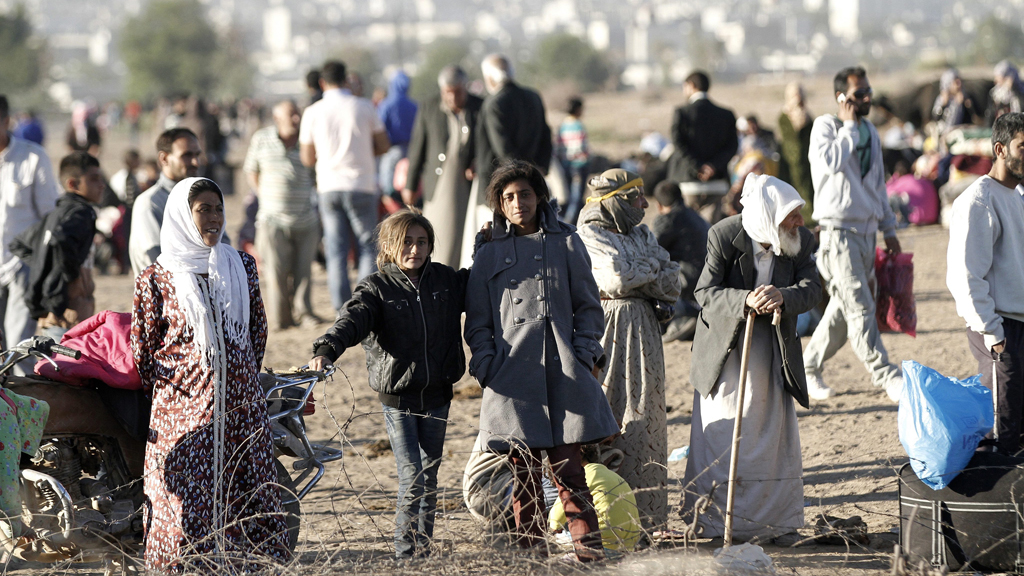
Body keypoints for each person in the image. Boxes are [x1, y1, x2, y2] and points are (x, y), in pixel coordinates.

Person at [130, 177, 290, 572]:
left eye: (218, 208)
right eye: (203, 209)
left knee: (247, 488)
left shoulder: (242, 266)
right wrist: (190, 388)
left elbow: (256, 334)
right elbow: (144, 353)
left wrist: (235, 379)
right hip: (181, 414)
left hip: (241, 409)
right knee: (183, 500)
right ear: (184, 215)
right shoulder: (156, 278)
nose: (214, 218)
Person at [464, 159, 618, 563]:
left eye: (525, 194)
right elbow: (477, 322)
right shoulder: (487, 254)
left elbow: (589, 307)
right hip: (513, 381)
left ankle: (589, 555)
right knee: (524, 478)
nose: (519, 203)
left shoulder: (567, 243)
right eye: (509, 197)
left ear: (539, 197)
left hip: (565, 376)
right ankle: (532, 561)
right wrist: (486, 366)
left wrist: (584, 354)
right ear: (499, 203)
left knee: (571, 473)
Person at [309, 209, 468, 559]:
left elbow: (485, 282)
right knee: (412, 473)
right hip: (399, 398)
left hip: (439, 393)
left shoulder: (446, 281)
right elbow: (351, 320)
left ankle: (423, 549)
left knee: (430, 473)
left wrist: (488, 244)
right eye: (407, 242)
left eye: (422, 242)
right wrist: (327, 349)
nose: (415, 249)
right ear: (389, 245)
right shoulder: (377, 288)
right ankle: (406, 552)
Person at [682, 173, 820, 542]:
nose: (799, 222)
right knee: (726, 429)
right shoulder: (724, 235)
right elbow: (705, 292)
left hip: (772, 349)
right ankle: (715, 523)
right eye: (792, 215)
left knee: (769, 433)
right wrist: (744, 300)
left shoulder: (800, 240)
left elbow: (813, 289)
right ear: (770, 216)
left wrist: (783, 296)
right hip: (726, 349)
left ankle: (772, 522)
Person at [576, 169, 680, 531]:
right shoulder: (588, 234)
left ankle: (647, 519)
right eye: (635, 198)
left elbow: (674, 281)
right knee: (610, 414)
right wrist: (652, 270)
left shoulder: (642, 233)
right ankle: (608, 519)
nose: (644, 205)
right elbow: (615, 280)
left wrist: (644, 272)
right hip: (607, 332)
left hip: (646, 334)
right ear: (616, 201)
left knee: (647, 418)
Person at [802, 66, 904, 403]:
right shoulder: (826, 128)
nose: (866, 99)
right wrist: (847, 128)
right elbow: (829, 163)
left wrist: (888, 228)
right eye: (859, 94)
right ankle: (886, 375)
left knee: (845, 313)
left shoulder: (870, 132)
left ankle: (808, 366)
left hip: (867, 233)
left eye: (867, 92)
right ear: (841, 98)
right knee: (859, 307)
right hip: (837, 233)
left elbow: (877, 184)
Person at [947, 112, 1024, 454]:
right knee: (1001, 430)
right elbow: (965, 277)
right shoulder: (978, 201)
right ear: (1001, 149)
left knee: (1019, 428)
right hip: (999, 330)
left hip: (1019, 325)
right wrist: (993, 333)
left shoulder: (1018, 197)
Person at [300, 59, 390, 312]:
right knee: (366, 247)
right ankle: (363, 302)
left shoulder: (313, 112)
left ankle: (342, 307)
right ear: (347, 79)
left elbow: (307, 158)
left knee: (336, 250)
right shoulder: (364, 107)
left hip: (329, 185)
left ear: (321, 82)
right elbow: (384, 145)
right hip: (362, 184)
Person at [243, 100, 320, 330]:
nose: (296, 119)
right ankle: (282, 319)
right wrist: (265, 197)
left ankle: (305, 313)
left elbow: (316, 173)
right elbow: (252, 171)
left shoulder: (308, 141)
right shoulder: (262, 139)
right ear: (277, 119)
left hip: (306, 219)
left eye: (297, 114)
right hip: (272, 219)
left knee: (304, 272)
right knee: (276, 272)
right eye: (291, 115)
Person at [10, 152, 102, 342]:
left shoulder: (55, 214)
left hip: (52, 308)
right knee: (68, 363)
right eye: (93, 179)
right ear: (72, 184)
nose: (101, 185)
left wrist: (44, 262)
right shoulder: (81, 212)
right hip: (68, 310)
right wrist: (71, 275)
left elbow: (18, 244)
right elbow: (61, 240)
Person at [0, 95, 60, 371]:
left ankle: (22, 409)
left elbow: (49, 217)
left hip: (21, 268)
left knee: (17, 345)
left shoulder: (33, 157)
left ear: (6, 120)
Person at [402, 65, 483, 267]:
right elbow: (417, 149)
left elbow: (487, 145)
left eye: (458, 92)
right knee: (439, 235)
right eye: (449, 93)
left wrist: (479, 163)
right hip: (439, 185)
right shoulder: (429, 107)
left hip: (469, 185)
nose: (454, 98)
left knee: (467, 235)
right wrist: (410, 185)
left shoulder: (479, 107)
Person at [128, 127, 202, 276]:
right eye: (186, 155)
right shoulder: (150, 203)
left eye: (197, 155)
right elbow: (159, 262)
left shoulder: (204, 198)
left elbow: (222, 250)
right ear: (163, 158)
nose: (195, 162)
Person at [666, 70, 738, 223]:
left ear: (691, 85)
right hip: (717, 185)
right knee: (711, 234)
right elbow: (732, 146)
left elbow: (678, 144)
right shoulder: (726, 114)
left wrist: (698, 167)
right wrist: (713, 167)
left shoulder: (682, 113)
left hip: (688, 184)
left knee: (689, 231)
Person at [474, 54, 552, 192]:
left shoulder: (493, 103)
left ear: (489, 77)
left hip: (504, 182)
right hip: (535, 177)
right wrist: (541, 168)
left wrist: (520, 174)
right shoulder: (533, 96)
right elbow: (546, 135)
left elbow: (503, 148)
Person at [548, 444, 641, 552]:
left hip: (603, 546)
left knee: (562, 532)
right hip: (629, 546)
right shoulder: (611, 474)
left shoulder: (581, 477)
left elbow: (555, 522)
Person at [650, 180, 709, 343]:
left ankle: (682, 317)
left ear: (658, 205)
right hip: (705, 280)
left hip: (685, 282)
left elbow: (649, 253)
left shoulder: (667, 219)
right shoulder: (697, 217)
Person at [377, 70, 418, 199]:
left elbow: (380, 128)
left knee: (388, 186)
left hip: (393, 149)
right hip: (412, 150)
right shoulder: (414, 106)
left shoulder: (386, 105)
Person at [777, 83, 814, 223]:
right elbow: (791, 139)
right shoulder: (784, 116)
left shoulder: (808, 117)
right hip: (789, 162)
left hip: (807, 162)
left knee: (808, 194)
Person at [555, 96, 590, 224]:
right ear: (578, 109)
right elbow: (581, 147)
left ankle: (568, 220)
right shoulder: (578, 125)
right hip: (579, 164)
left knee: (569, 195)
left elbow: (558, 147)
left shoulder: (562, 126)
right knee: (577, 197)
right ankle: (569, 222)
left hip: (565, 164)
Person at [932, 68, 981, 134]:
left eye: (959, 82)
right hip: (944, 133)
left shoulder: (965, 97)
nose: (959, 85)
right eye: (956, 82)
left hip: (960, 133)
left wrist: (967, 106)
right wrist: (943, 105)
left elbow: (973, 118)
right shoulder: (942, 99)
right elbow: (935, 117)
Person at [988, 61, 1024, 126]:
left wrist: (1013, 89)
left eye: (998, 76)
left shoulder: (1020, 91)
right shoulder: (994, 93)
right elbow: (990, 115)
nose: (995, 80)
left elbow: (1021, 108)